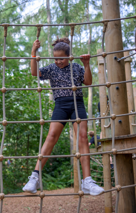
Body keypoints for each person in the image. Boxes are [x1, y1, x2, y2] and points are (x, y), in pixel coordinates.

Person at [22, 37, 104, 196]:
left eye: (61, 58)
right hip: (60, 105)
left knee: (82, 137)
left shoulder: (76, 67)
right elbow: (34, 72)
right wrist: (33, 51)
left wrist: (86, 64)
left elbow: (88, 82)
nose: (58, 61)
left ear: (68, 56)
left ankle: (87, 181)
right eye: (55, 58)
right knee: (51, 136)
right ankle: (35, 177)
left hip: (77, 104)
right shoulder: (52, 68)